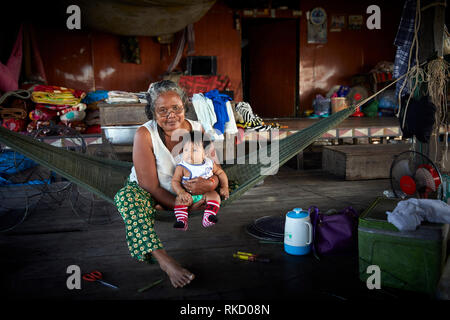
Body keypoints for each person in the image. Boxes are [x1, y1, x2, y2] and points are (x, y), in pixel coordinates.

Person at [114, 80, 221, 288]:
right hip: (150, 191)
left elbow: (216, 171)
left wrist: (209, 185)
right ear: (152, 112)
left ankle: (170, 206)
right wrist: (182, 205)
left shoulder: (198, 131)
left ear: (184, 106)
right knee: (126, 199)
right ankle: (165, 261)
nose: (171, 115)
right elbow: (150, 187)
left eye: (176, 108)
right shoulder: (145, 135)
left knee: (228, 184)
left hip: (191, 193)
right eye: (162, 110)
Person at [172, 130, 229, 230]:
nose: (189, 154)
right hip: (188, 196)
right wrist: (180, 192)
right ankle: (182, 220)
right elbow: (175, 181)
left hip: (207, 194)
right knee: (179, 200)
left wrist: (225, 186)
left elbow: (220, 173)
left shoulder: (209, 163)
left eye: (194, 150)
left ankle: (208, 217)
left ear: (205, 153)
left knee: (215, 195)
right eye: (186, 150)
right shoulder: (182, 167)